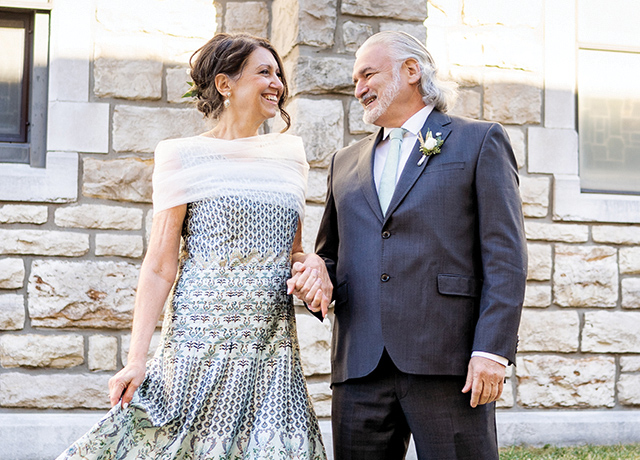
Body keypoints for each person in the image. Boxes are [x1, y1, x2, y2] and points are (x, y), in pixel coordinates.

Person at [57, 33, 330, 460]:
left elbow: (291, 251)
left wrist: (311, 262)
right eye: (264, 72)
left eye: (278, 73)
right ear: (225, 84)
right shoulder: (181, 155)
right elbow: (161, 264)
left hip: (270, 351)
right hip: (197, 349)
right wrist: (136, 360)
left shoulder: (291, 156)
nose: (277, 82)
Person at [314, 31, 527, 460]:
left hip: (450, 363)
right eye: (355, 80)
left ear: (411, 70)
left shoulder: (480, 140)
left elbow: (505, 257)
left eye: (368, 74)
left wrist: (491, 351)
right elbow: (330, 254)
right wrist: (316, 273)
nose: (358, 89)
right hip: (360, 368)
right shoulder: (344, 161)